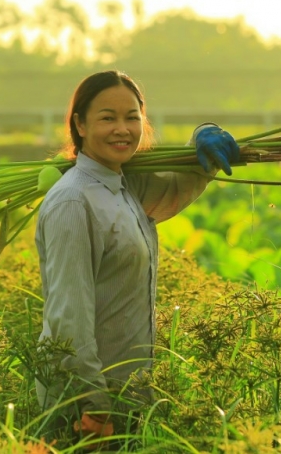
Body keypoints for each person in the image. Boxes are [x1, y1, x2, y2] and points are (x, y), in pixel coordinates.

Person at [34, 70, 240, 448]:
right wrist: (93, 403)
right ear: (79, 124)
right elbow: (68, 316)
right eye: (107, 118)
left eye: (132, 117)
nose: (122, 129)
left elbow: (178, 186)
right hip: (87, 410)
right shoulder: (72, 202)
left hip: (129, 397)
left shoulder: (124, 186)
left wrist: (203, 139)